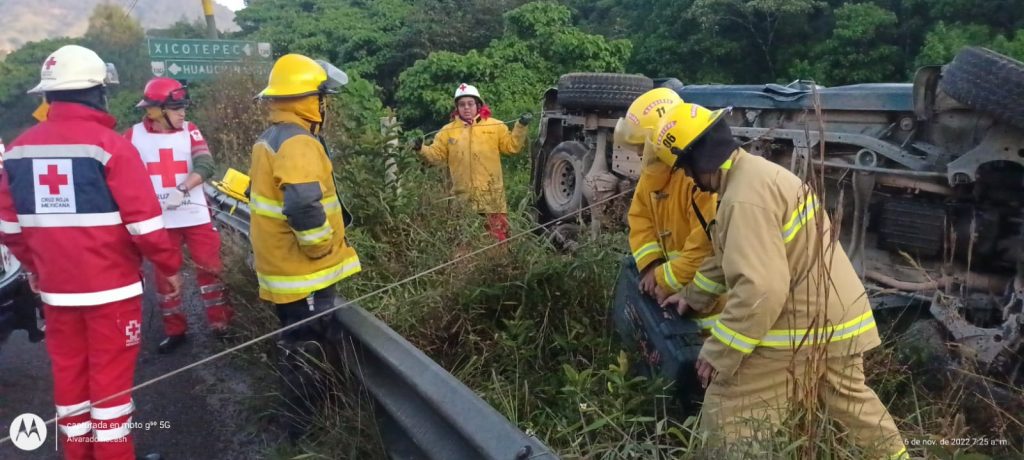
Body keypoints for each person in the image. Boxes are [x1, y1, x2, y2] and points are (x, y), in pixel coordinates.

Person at [656, 102, 908, 459]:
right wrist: (692, 296)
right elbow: (731, 255)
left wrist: (719, 352)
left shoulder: (743, 199)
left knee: (729, 412)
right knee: (856, 413)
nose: (686, 178)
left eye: (684, 168)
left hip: (798, 326)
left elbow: (761, 289)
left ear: (698, 159)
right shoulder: (755, 175)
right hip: (839, 320)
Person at [0, 44, 181, 460]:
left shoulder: (19, 150)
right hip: (111, 292)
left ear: (48, 97)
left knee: (70, 385)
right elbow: (146, 225)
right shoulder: (110, 146)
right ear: (98, 92)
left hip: (57, 295)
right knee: (111, 390)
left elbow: (9, 227)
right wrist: (168, 266)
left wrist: (35, 266)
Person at [248, 53, 361, 438]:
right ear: (309, 100)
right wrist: (320, 248)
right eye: (323, 97)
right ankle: (302, 430)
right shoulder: (298, 142)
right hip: (303, 271)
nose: (325, 105)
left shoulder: (273, 136)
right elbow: (302, 204)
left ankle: (305, 420)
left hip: (285, 268)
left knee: (299, 341)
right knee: (308, 348)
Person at [125, 76, 233, 354]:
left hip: (195, 215)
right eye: (176, 109)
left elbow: (206, 163)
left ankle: (221, 325)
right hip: (160, 221)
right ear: (156, 110)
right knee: (165, 277)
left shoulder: (191, 131)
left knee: (211, 271)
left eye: (183, 108)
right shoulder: (133, 137)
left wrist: (183, 188)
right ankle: (175, 330)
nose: (183, 113)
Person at [615, 88, 723, 332]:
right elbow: (639, 218)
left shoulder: (698, 178)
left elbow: (706, 246)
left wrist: (664, 278)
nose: (640, 153)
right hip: (675, 294)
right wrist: (651, 265)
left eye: (643, 145)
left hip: (712, 303)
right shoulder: (653, 175)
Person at [412, 83, 530, 242]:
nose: (466, 108)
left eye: (470, 103)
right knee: (464, 246)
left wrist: (521, 126)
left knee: (497, 244)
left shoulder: (495, 126)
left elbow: (512, 147)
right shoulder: (447, 131)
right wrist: (421, 149)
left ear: (478, 105)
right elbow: (436, 156)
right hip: (463, 200)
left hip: (492, 198)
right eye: (462, 104)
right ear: (456, 108)